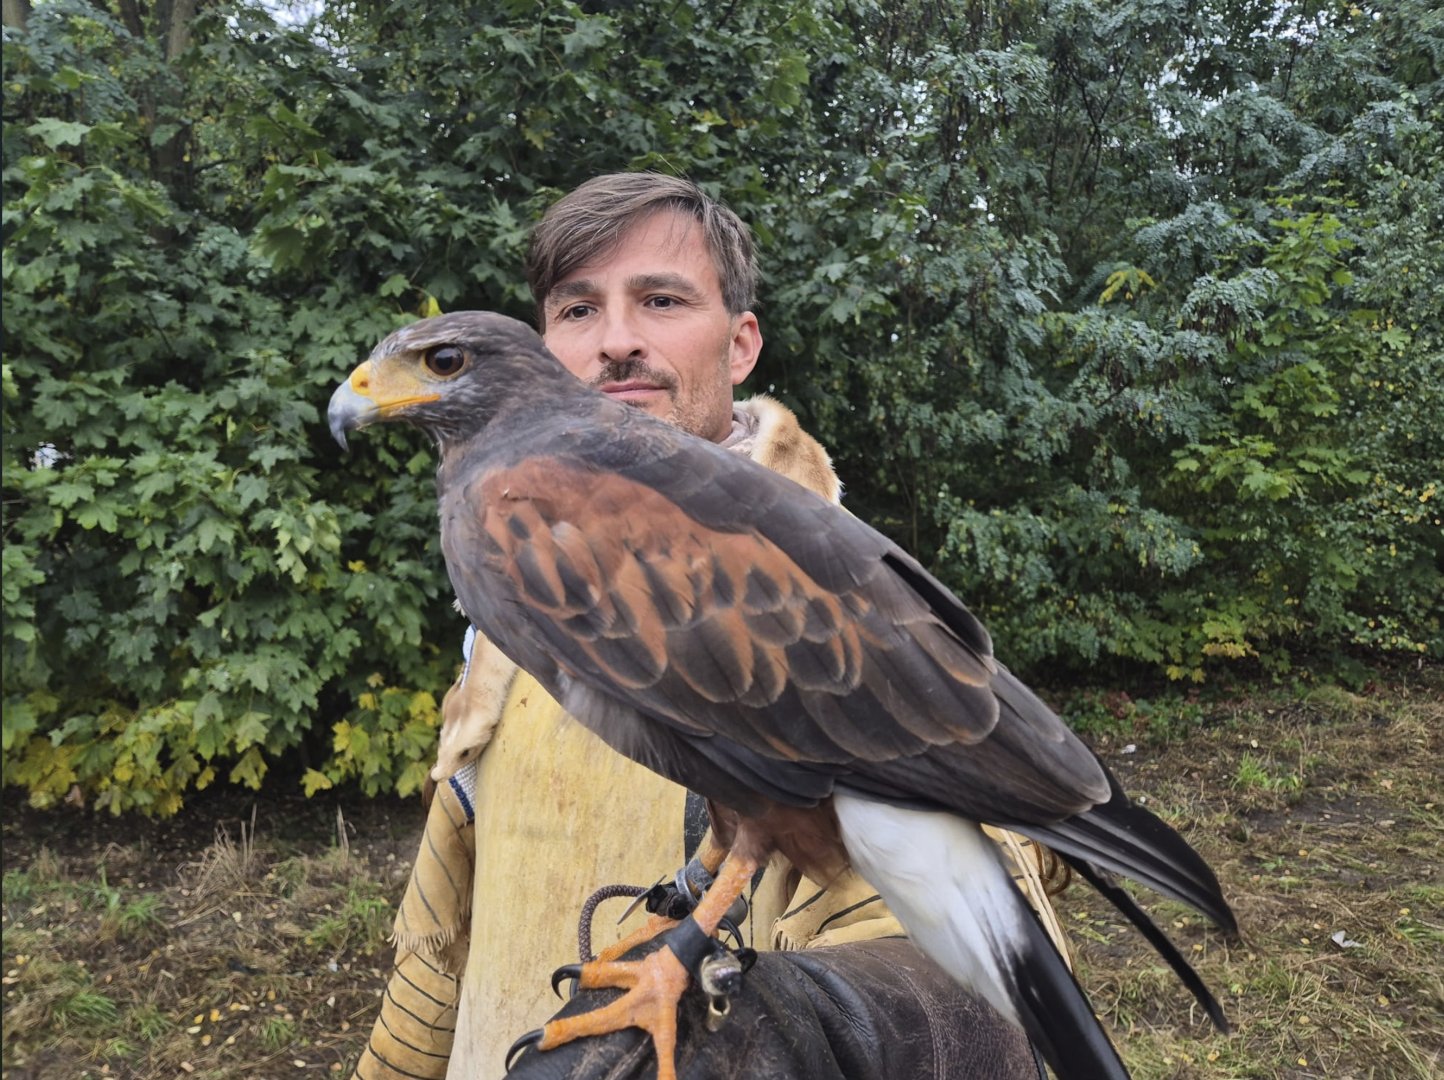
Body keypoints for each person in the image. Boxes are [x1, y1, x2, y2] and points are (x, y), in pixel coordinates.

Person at [352, 173, 1067, 1080]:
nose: (617, 339)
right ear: (545, 345)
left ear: (740, 345)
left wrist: (823, 1021)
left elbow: (961, 935)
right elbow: (442, 933)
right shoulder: (508, 584)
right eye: (577, 309)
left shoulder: (804, 553)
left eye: (662, 300)